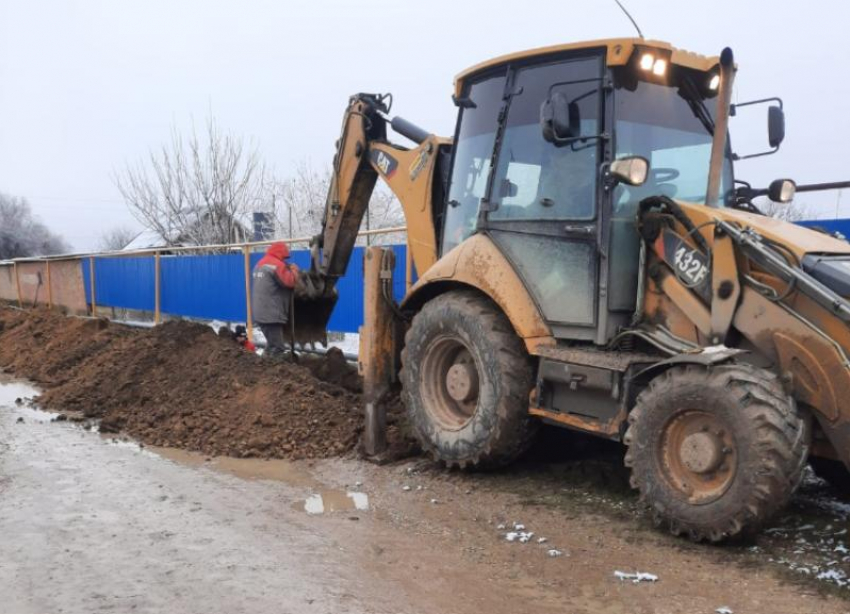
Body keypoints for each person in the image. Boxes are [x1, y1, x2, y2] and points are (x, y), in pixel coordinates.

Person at [251, 242, 298, 357]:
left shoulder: (259, 264)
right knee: (278, 348)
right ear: (281, 254)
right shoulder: (276, 265)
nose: (285, 260)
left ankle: (261, 366)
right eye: (284, 257)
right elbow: (290, 281)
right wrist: (294, 271)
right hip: (271, 315)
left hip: (261, 313)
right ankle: (272, 373)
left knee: (271, 344)